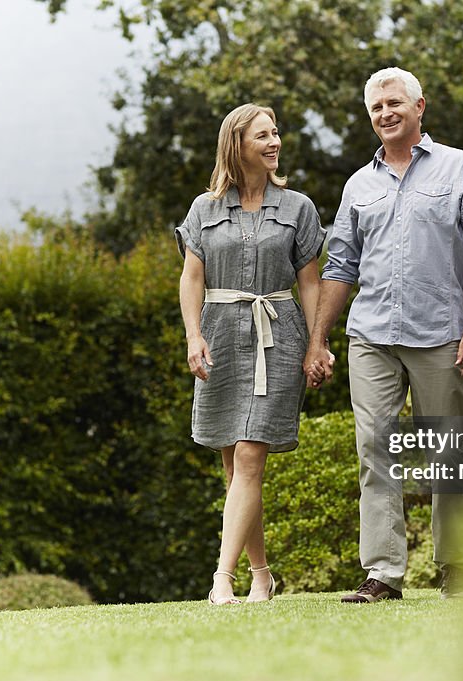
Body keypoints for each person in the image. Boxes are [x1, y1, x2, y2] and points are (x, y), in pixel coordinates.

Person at [303, 67, 463, 603]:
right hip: (371, 336)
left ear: (420, 106)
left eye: (393, 103)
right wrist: (318, 339)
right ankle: (384, 574)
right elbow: (340, 264)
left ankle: (456, 567)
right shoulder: (358, 185)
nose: (385, 114)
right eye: (375, 108)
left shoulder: (461, 169)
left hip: (440, 333)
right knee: (373, 448)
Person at [176, 103, 325, 605]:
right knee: (236, 469)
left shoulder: (299, 208)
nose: (274, 142)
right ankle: (262, 573)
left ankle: (223, 579)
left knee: (248, 457)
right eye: (263, 135)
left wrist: (317, 343)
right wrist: (194, 337)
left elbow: (310, 283)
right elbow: (192, 278)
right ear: (237, 145)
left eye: (276, 133)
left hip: (277, 339)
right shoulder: (204, 209)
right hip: (219, 338)